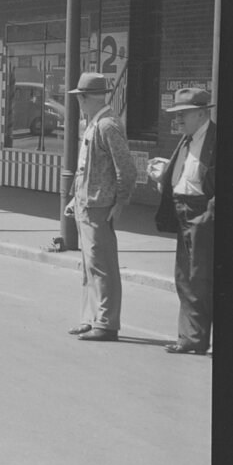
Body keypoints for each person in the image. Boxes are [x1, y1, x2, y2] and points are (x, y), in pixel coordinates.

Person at [63, 72, 137, 343]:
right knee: (89, 265)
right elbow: (87, 168)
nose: (78, 104)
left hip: (99, 205)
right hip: (87, 202)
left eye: (79, 98)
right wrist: (75, 197)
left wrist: (120, 203)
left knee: (102, 264)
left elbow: (126, 170)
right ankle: (90, 317)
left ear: (85, 98)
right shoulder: (95, 123)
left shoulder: (107, 125)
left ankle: (106, 323)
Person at [151, 87, 215, 354]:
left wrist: (208, 215)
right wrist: (163, 178)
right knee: (184, 277)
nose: (177, 120)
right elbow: (187, 175)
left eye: (183, 114)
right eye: (176, 114)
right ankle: (189, 338)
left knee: (200, 277)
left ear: (201, 114)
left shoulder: (216, 139)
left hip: (203, 213)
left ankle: (196, 339)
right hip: (183, 211)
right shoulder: (187, 139)